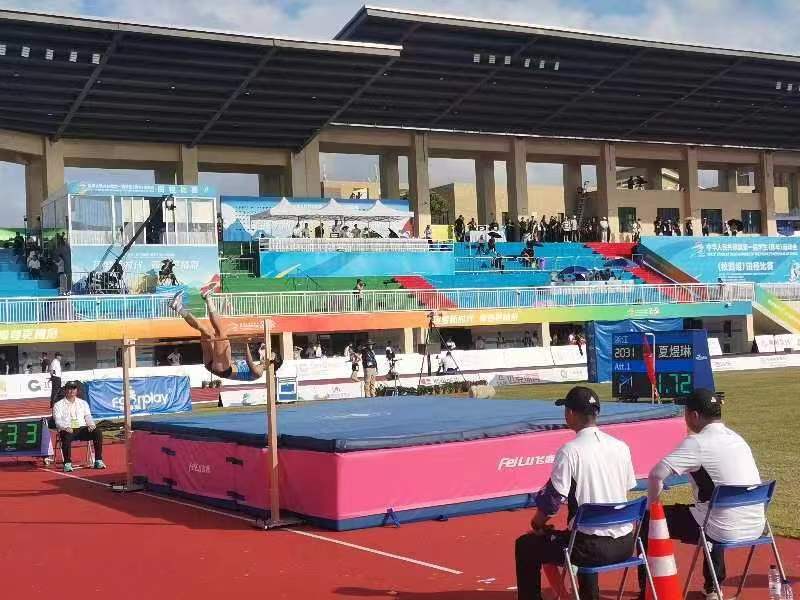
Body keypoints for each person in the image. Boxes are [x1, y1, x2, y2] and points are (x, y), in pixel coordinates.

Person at [639, 389, 764, 600]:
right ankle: (713, 588)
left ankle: (647, 592)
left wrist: (653, 511)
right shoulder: (738, 439)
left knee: (647, 521)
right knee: (711, 510)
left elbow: (656, 475)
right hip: (757, 525)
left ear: (694, 415)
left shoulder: (697, 442)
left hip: (721, 527)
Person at [515, 387, 638, 600]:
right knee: (582, 530)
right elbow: (627, 487)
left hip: (588, 549)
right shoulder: (621, 447)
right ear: (596, 413)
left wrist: (537, 524)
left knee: (526, 545)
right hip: (626, 544)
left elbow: (553, 500)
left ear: (570, 413)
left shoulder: (569, 451)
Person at [169, 291, 264, 381]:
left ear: (270, 362)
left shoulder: (260, 373)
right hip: (215, 365)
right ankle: (178, 307)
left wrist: (245, 344)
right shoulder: (256, 366)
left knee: (220, 332)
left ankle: (208, 297)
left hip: (223, 369)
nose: (264, 355)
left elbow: (250, 364)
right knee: (206, 331)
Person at [52, 381, 106, 472]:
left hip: (82, 429)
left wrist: (91, 424)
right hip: (67, 429)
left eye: (73, 389)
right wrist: (65, 427)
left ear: (76, 390)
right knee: (66, 435)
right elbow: (58, 421)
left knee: (97, 432)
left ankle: (98, 460)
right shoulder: (58, 405)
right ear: (65, 390)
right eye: (69, 389)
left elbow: (88, 416)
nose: (71, 391)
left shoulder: (83, 403)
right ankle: (67, 463)